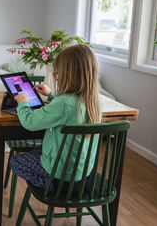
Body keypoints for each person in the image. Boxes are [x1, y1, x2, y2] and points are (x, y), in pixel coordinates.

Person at [10, 43, 101, 191]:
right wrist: (52, 94)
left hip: (60, 174)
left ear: (68, 75)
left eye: (57, 74)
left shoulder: (63, 103)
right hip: (82, 171)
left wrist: (23, 103)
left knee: (15, 161)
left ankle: (54, 186)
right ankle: (71, 185)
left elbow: (30, 122)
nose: (56, 77)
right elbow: (68, 108)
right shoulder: (95, 101)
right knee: (40, 149)